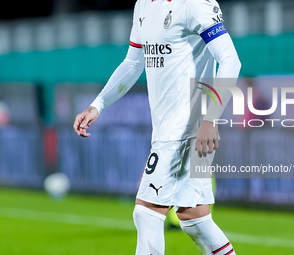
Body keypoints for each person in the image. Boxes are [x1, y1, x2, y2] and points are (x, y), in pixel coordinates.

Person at [73, 0, 241, 254]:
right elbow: (132, 64)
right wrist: (98, 104)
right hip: (166, 128)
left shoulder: (194, 4)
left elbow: (231, 60)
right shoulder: (143, 5)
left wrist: (211, 118)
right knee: (194, 219)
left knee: (146, 213)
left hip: (187, 126)